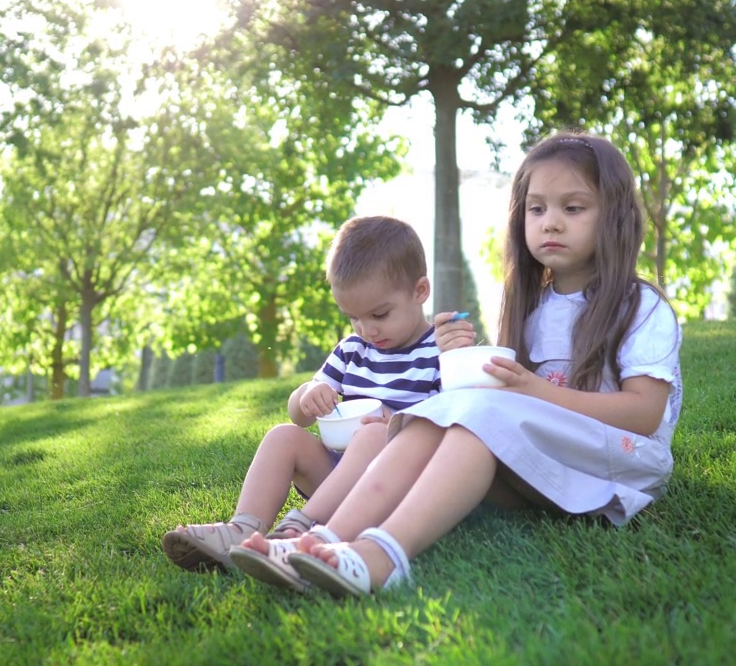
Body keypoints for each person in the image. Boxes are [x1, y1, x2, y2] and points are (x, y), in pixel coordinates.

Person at [232, 132, 683, 597]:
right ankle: (322, 539)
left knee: (475, 423)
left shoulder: (639, 305)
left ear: (613, 215)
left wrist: (533, 390)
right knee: (439, 416)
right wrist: (459, 364)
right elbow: (501, 400)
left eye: (573, 208)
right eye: (537, 209)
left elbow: (644, 414)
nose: (551, 223)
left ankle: (383, 556)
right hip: (540, 461)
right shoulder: (529, 306)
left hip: (613, 465)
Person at [161, 215, 442, 588]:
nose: (367, 330)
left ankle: (299, 528)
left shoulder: (440, 351)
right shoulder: (353, 350)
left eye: (379, 315)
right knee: (282, 435)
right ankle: (241, 529)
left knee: (373, 437)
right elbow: (299, 416)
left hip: (391, 489)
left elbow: (448, 426)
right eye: (353, 317)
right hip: (335, 480)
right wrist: (308, 395)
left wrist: (397, 421)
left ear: (420, 290)